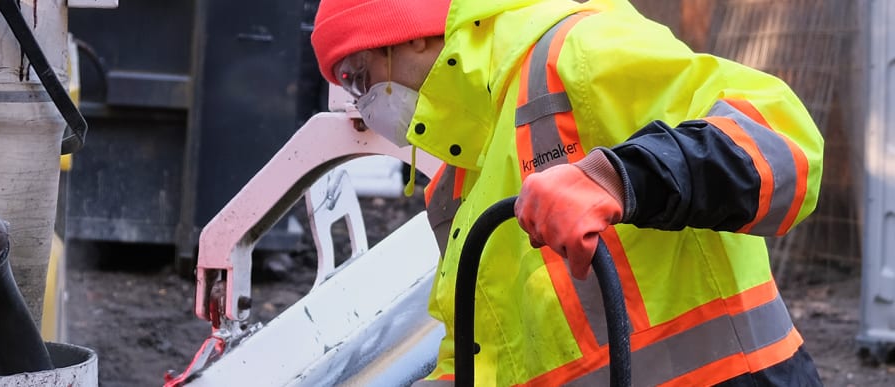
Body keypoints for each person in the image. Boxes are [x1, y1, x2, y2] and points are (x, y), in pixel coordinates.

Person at [311, 0, 825, 385]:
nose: (364, 105)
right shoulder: (455, 185)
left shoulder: (574, 54)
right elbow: (484, 352)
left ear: (409, 35)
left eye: (359, 78)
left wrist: (620, 177)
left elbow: (785, 140)